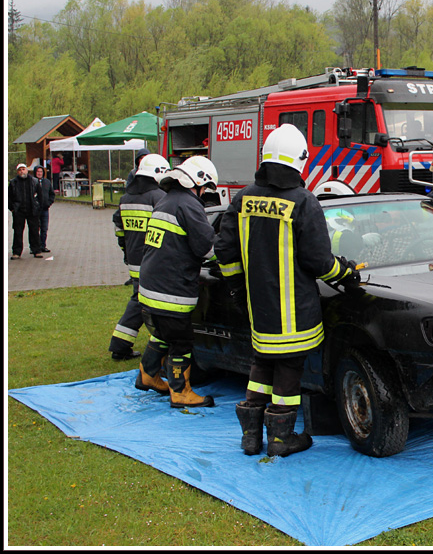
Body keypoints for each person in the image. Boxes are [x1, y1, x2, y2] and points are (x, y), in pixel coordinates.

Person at [215, 124, 358, 457]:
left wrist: (238, 288)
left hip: (259, 309)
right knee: (289, 368)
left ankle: (251, 437)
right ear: (299, 161)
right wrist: (346, 272)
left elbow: (224, 249)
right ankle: (281, 439)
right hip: (295, 312)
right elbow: (320, 262)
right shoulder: (304, 202)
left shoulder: (243, 198)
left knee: (261, 362)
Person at [138, 155, 219, 409]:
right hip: (171, 290)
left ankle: (148, 375)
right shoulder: (189, 205)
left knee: (162, 334)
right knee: (181, 341)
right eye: (204, 188)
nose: (204, 193)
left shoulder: (166, 201)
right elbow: (207, 247)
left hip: (150, 285)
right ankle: (180, 392)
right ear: (197, 182)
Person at [108, 154, 169, 365]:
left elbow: (119, 227)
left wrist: (126, 249)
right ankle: (121, 345)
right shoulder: (158, 197)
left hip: (134, 259)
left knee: (138, 300)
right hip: (153, 261)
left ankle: (121, 343)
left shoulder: (126, 198)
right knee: (147, 303)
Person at [8, 163, 42, 259]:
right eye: (19, 170)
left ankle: (36, 250)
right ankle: (17, 252)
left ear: (27, 170)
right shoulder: (13, 182)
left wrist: (38, 206)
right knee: (18, 231)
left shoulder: (34, 181)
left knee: (34, 231)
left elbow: (40, 195)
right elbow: (8, 197)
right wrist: (12, 208)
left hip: (32, 210)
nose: (21, 171)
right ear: (17, 171)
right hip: (18, 210)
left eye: (23, 169)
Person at [32, 166, 55, 253]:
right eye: (38, 172)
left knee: (44, 228)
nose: (39, 173)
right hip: (35, 210)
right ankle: (34, 246)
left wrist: (49, 203)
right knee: (35, 228)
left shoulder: (47, 182)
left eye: (41, 172)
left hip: (45, 209)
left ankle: (43, 245)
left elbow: (52, 194)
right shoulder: (32, 182)